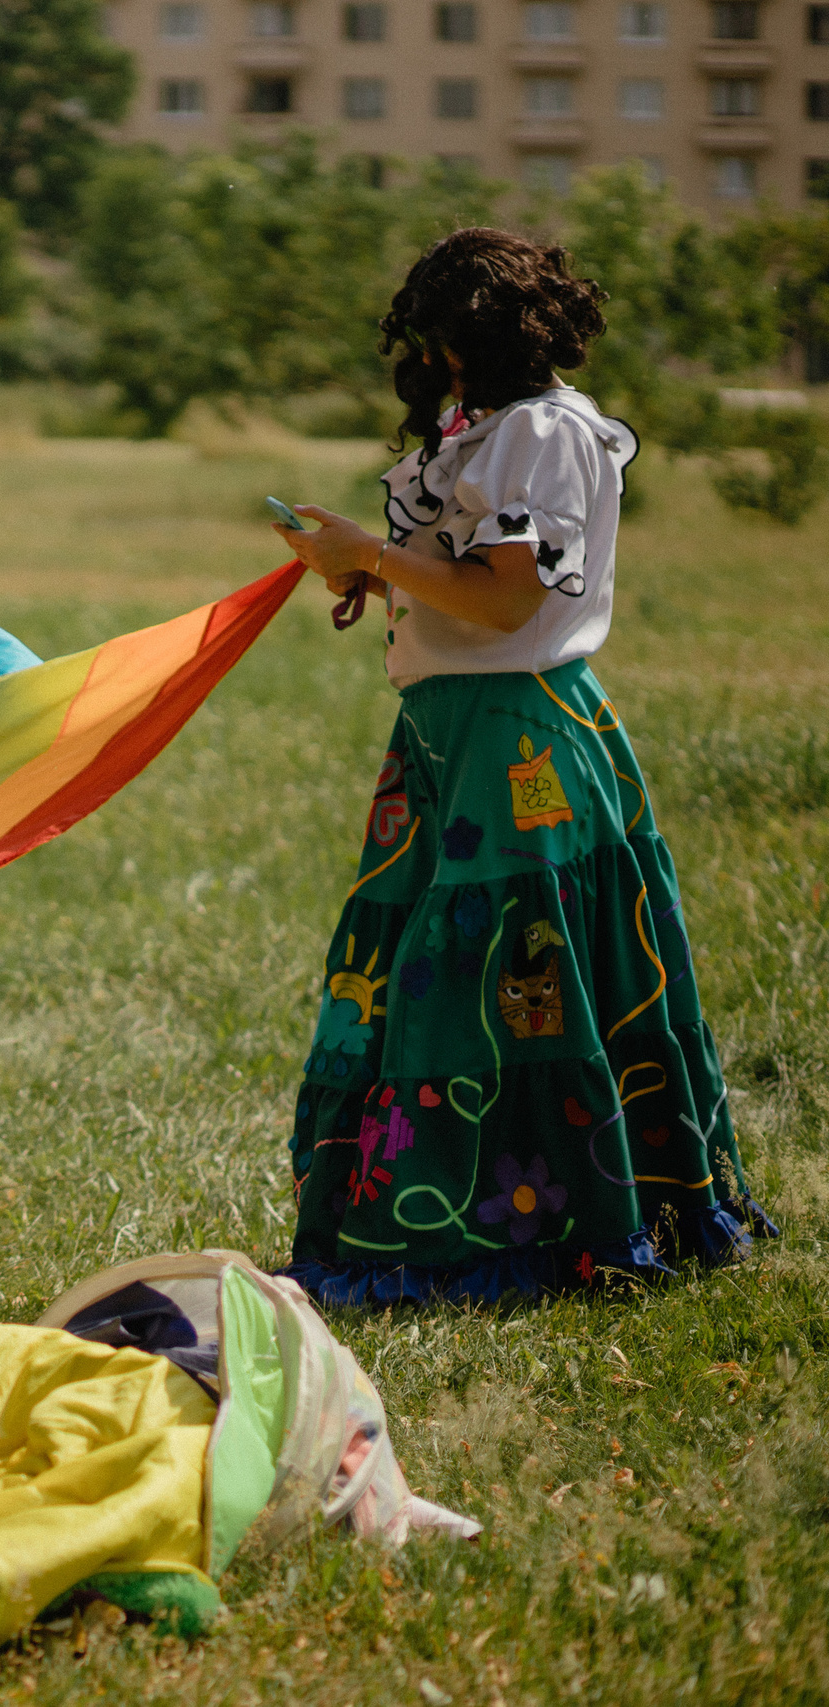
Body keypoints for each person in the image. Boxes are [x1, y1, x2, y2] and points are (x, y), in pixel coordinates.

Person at [269, 227, 774, 1306]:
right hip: (456, 736)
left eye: (427, 333)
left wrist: (372, 553)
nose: (417, 356)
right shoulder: (491, 430)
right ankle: (465, 1213)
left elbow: (508, 598)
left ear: (462, 333)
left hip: (517, 741)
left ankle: (500, 1233)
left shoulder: (540, 436)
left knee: (496, 981)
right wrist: (379, 574)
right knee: (450, 975)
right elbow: (469, 580)